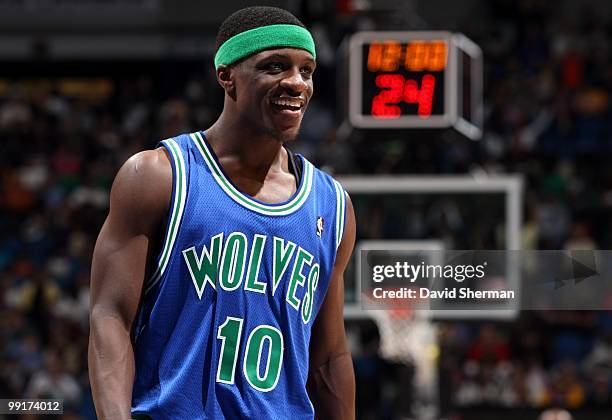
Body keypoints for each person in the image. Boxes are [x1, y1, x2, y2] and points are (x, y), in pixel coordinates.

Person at [88, 6, 356, 419]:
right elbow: (110, 317)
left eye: (307, 70)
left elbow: (328, 358)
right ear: (226, 76)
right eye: (275, 66)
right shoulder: (159, 176)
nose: (296, 82)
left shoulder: (333, 206)